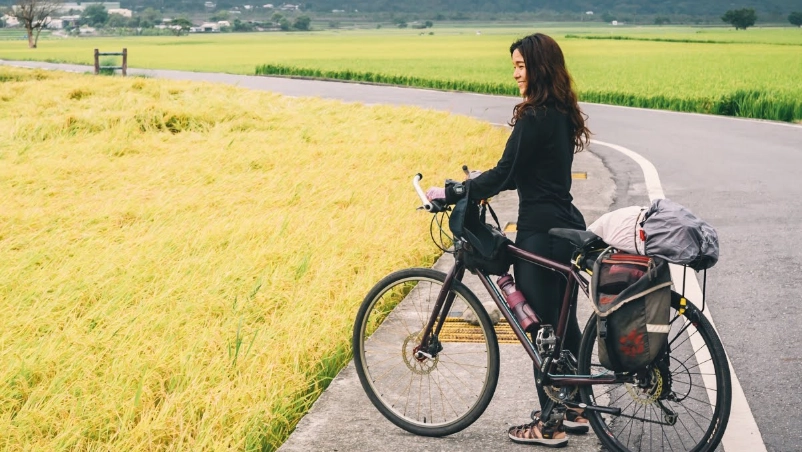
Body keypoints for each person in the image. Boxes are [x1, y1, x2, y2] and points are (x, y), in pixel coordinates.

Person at [426, 33, 591, 447]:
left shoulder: (533, 117)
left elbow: (504, 175)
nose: (515, 73)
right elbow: (521, 170)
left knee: (542, 332)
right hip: (566, 225)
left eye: (521, 66)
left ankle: (549, 426)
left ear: (538, 67)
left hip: (540, 233)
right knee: (563, 322)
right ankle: (574, 407)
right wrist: (480, 180)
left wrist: (453, 192)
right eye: (514, 66)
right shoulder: (561, 112)